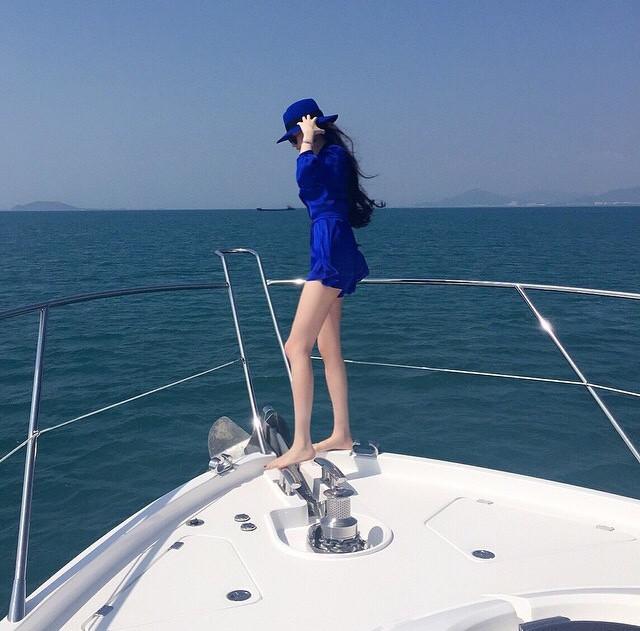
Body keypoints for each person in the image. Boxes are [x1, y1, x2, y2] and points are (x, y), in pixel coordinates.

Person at [265, 98, 385, 470]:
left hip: (331, 248)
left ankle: (302, 443)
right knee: (328, 346)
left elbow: (306, 180)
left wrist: (306, 141)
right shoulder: (331, 157)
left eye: (294, 136)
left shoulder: (329, 156)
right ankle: (341, 433)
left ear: (313, 129)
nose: (294, 144)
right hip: (332, 244)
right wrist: (308, 142)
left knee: (295, 346)